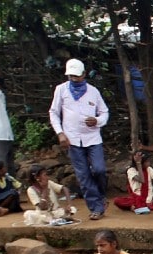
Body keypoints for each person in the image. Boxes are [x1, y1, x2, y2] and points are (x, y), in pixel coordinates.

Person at [50, 58, 110, 220]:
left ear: (84, 74)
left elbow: (104, 112)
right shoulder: (61, 90)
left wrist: (97, 120)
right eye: (71, 76)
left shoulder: (93, 91)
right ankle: (96, 207)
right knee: (83, 175)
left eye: (76, 76)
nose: (74, 79)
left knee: (99, 169)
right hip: (72, 139)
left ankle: (101, 195)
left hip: (92, 138)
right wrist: (60, 133)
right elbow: (54, 113)